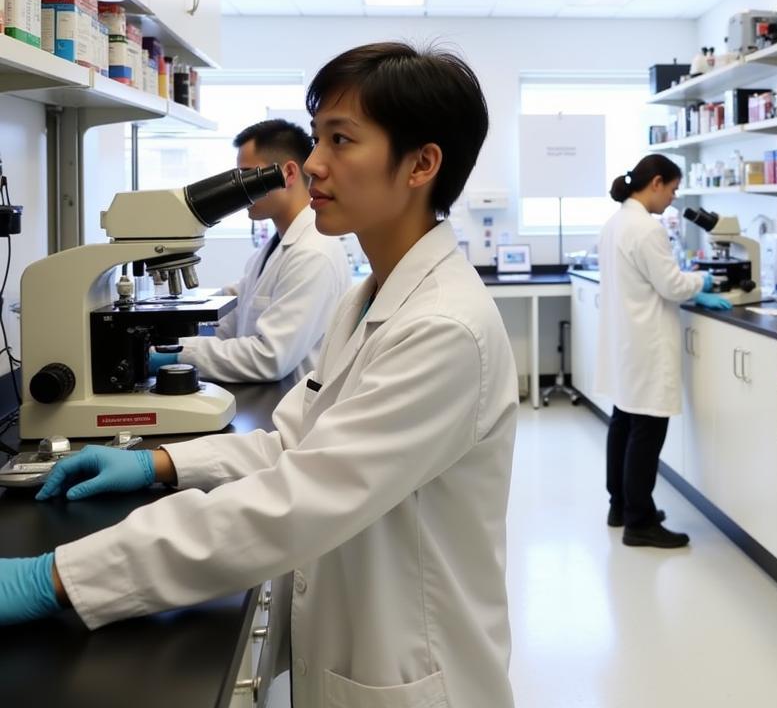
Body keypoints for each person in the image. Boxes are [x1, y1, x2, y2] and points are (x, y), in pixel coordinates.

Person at [0, 42, 519, 708]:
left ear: (421, 163)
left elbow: (292, 500)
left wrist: (61, 575)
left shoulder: (445, 330)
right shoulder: (370, 300)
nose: (314, 165)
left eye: (341, 140)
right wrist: (158, 464)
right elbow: (290, 443)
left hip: (413, 676)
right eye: (317, 137)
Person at [596, 154, 732, 550]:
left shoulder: (616, 222)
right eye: (672, 190)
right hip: (646, 342)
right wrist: (702, 280)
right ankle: (640, 522)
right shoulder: (645, 229)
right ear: (655, 182)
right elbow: (671, 285)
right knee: (647, 431)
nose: (672, 199)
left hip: (626, 340)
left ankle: (620, 505)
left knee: (623, 421)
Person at [150, 119, 351, 383]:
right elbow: (231, 320)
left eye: (246, 175)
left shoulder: (313, 254)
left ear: (287, 174)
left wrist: (176, 354)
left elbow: (270, 357)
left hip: (288, 407)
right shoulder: (273, 249)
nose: (237, 188)